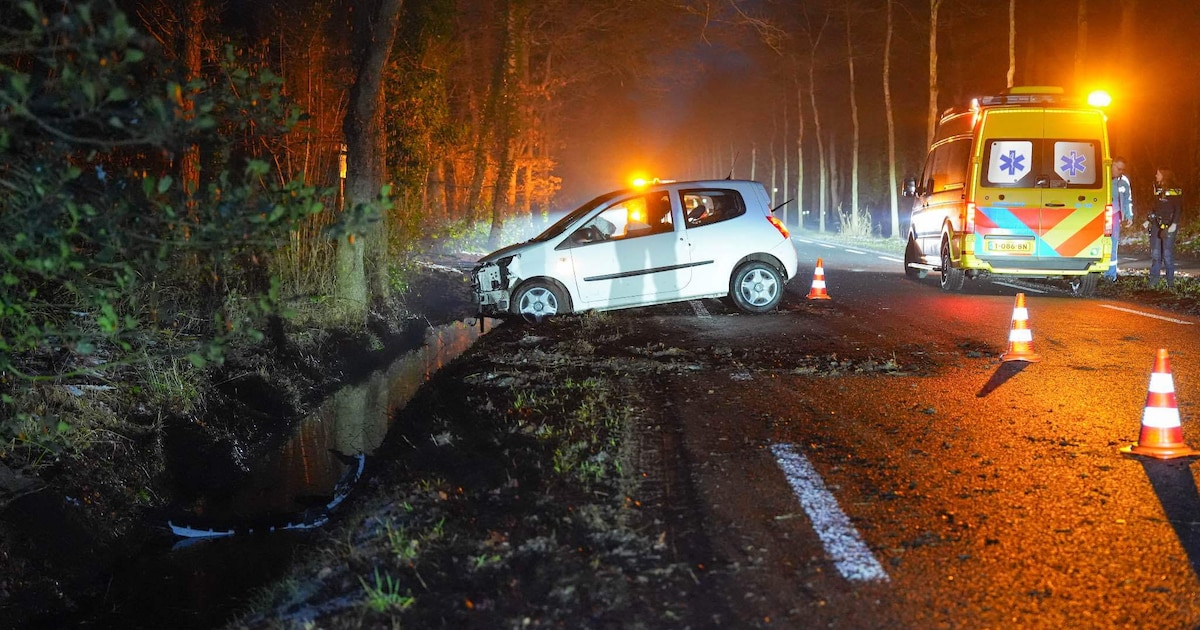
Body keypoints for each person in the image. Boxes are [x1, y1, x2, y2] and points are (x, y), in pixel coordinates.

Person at [1145, 168, 1183, 289]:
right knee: (1156, 254)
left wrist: (1174, 224)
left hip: (1169, 225)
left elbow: (1178, 209)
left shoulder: (1175, 190)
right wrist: (1149, 219)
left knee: (1167, 255)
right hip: (1156, 225)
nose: (1156, 176)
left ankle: (1170, 283)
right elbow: (1154, 207)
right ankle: (1153, 281)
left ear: (1164, 175)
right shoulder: (1157, 189)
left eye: (1158, 174)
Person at [1105, 157, 1133, 282]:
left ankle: (1110, 275)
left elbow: (1128, 200)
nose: (1120, 171)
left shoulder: (1123, 181)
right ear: (1112, 165)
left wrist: (1129, 216)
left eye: (1122, 169)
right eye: (1118, 168)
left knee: (1113, 244)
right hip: (1100, 215)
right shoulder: (1103, 177)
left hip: (1114, 215)